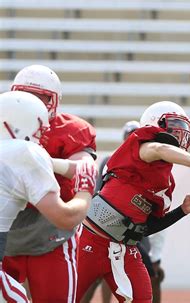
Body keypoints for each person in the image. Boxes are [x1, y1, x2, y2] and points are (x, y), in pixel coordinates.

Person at [76, 101, 190, 302]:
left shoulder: (166, 181)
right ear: (154, 124)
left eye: (183, 129)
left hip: (124, 249)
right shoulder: (143, 147)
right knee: (62, 297)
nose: (180, 134)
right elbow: (159, 148)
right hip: (89, 241)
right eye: (176, 126)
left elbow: (146, 227)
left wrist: (183, 210)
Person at [2, 65, 97, 303]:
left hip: (48, 231)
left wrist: (41, 160)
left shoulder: (68, 130)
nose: (33, 103)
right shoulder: (23, 147)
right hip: (11, 231)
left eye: (41, 97)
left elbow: (83, 164)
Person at [82, 120, 166, 303]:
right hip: (109, 223)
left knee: (151, 274)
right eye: (130, 136)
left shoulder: (154, 168)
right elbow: (100, 194)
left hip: (135, 228)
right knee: (95, 273)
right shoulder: (115, 160)